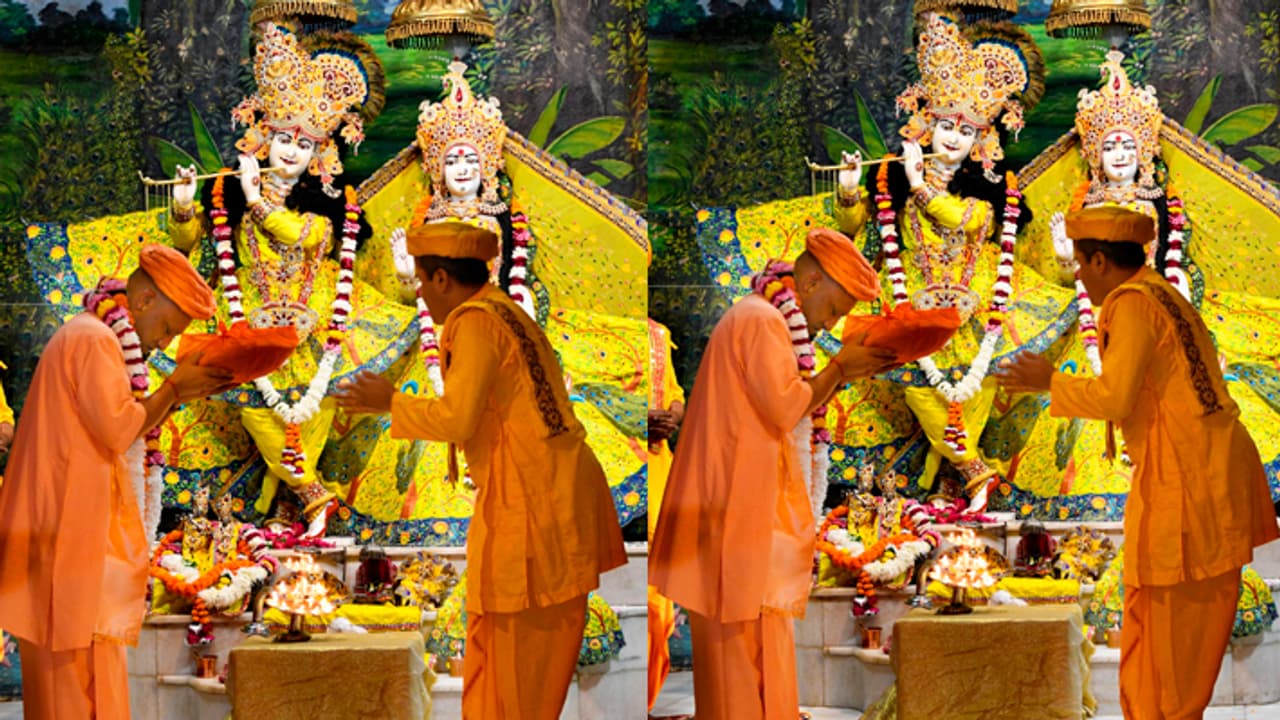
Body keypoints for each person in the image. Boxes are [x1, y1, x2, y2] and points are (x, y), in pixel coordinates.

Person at [334, 221, 626, 719]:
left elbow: (457, 419)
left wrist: (390, 401)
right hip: (555, 490)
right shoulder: (506, 310)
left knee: (514, 654)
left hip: (531, 498)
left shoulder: (474, 322)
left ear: (442, 278)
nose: (421, 293)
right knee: (530, 654)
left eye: (421, 281)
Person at [997, 206, 1279, 719]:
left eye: (1079, 263)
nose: (1078, 276)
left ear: (1100, 261)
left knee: (1170, 628)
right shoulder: (1161, 292)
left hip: (1188, 477)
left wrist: (1049, 381)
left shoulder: (1131, 304)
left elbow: (1114, 397)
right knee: (1178, 626)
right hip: (1210, 468)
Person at [649, 227, 899, 720]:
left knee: (760, 636)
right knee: (741, 646)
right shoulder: (762, 320)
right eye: (833, 309)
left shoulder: (763, 317)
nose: (829, 324)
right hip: (734, 508)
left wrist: (840, 372)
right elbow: (786, 408)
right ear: (810, 282)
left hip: (743, 505)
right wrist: (839, 369)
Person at [831, 14, 1072, 511]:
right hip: (909, 305)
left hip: (978, 310)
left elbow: (966, 220)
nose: (954, 137)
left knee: (973, 395)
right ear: (927, 125)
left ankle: (946, 481)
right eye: (945, 125)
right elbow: (853, 231)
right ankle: (974, 471)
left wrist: (921, 185)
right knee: (923, 391)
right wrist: (850, 191)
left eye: (966, 130)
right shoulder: (892, 180)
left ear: (981, 139)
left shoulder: (991, 189)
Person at [0, 244, 237, 720]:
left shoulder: (94, 336)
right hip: (65, 541)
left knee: (90, 678)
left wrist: (176, 393)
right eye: (167, 328)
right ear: (144, 301)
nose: (164, 344)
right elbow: (118, 428)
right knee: (73, 688)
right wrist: (174, 389)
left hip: (74, 538)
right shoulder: (94, 340)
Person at [646, 317, 686, 711]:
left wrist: (672, 415)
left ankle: (646, 700)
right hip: (621, 461)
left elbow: (675, 392)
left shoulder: (659, 333)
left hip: (660, 464)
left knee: (660, 585)